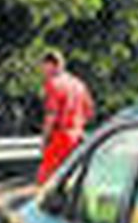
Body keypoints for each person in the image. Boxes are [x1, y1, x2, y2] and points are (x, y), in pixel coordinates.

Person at [37, 49, 95, 184]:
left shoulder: (53, 83)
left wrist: (45, 138)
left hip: (61, 136)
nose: (43, 71)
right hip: (78, 136)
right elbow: (89, 111)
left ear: (51, 65)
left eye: (44, 67)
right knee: (73, 179)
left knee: (46, 181)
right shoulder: (78, 84)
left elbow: (52, 113)